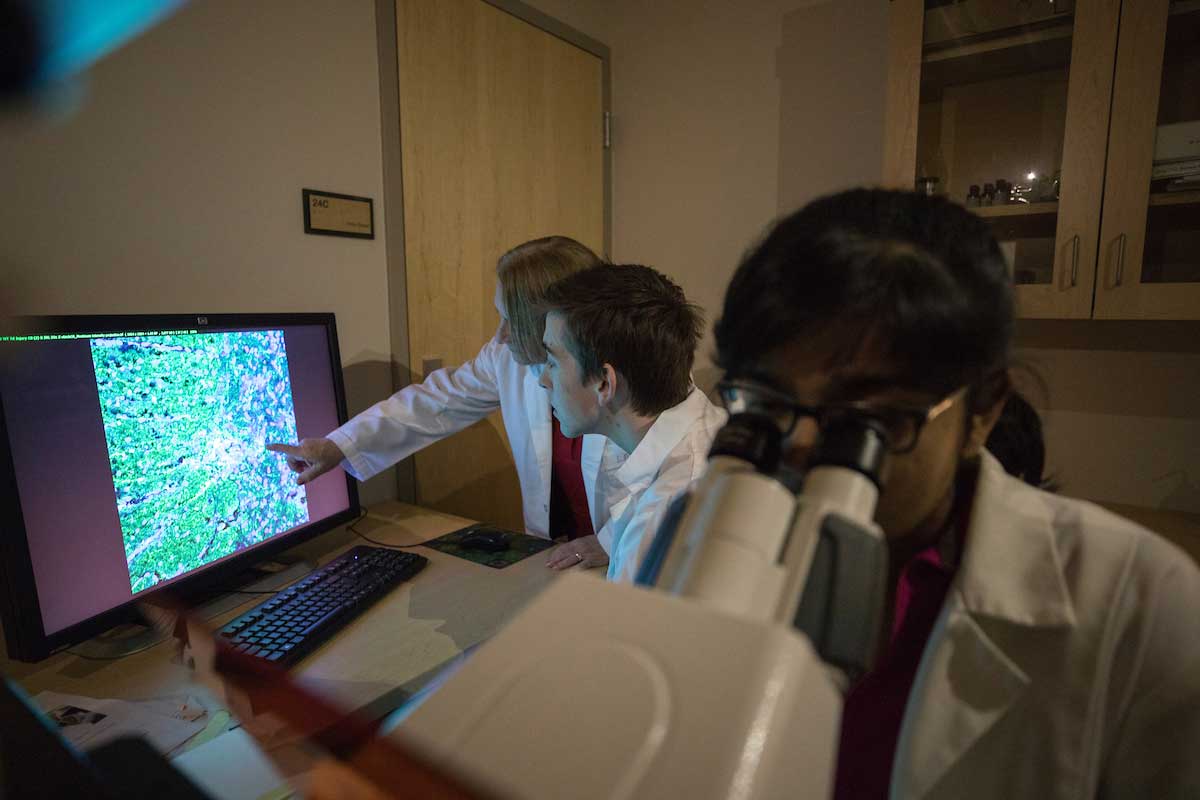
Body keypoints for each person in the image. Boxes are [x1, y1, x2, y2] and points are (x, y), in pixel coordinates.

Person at [711, 188, 1200, 798]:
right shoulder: (701, 538)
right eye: (768, 404)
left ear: (983, 412)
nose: (802, 444)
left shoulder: (1144, 604)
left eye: (870, 417)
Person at [267, 236, 609, 553]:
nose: (501, 336)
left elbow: (658, 480)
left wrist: (611, 541)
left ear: (547, 320)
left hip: (627, 560)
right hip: (557, 555)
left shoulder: (623, 373)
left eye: (511, 320)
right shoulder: (508, 359)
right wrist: (338, 445)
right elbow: (436, 402)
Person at [536, 263, 726, 581]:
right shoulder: (705, 429)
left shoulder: (662, 518)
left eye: (553, 362)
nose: (544, 380)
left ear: (605, 385)